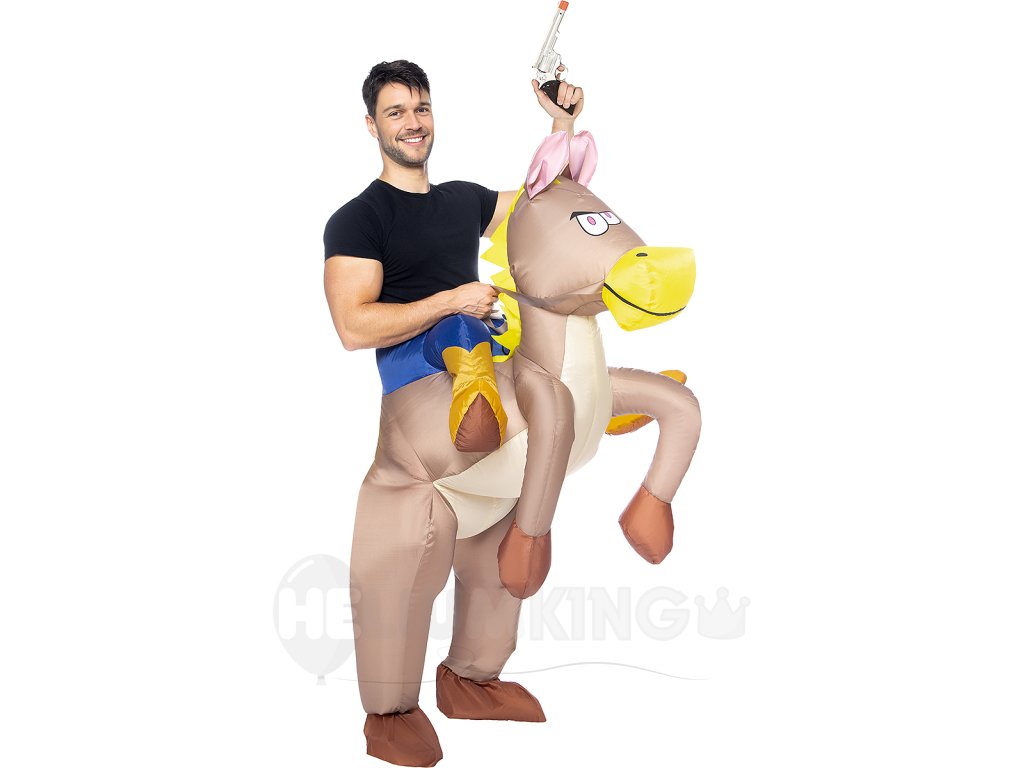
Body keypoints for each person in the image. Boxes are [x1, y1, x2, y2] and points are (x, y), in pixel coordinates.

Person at [323, 59, 584, 451]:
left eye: (422, 109)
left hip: (481, 349)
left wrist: (562, 122)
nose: (413, 123)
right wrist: (452, 303)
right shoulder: (357, 219)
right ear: (372, 125)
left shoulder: (462, 198)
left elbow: (545, 207)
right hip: (415, 369)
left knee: (551, 316)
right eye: (395, 113)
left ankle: (596, 402)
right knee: (461, 325)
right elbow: (352, 328)